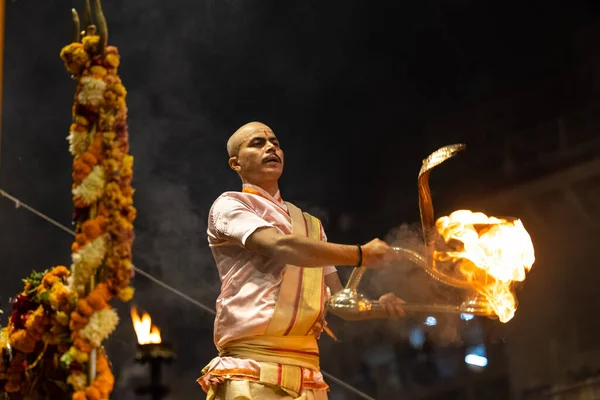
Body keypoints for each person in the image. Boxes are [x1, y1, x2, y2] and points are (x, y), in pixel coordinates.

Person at [198, 121, 405, 400]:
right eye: (257, 143)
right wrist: (360, 254)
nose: (271, 147)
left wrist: (376, 307)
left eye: (275, 142)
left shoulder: (310, 225)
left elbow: (337, 300)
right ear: (235, 163)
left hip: (308, 375)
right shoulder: (230, 204)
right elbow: (281, 246)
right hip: (252, 369)